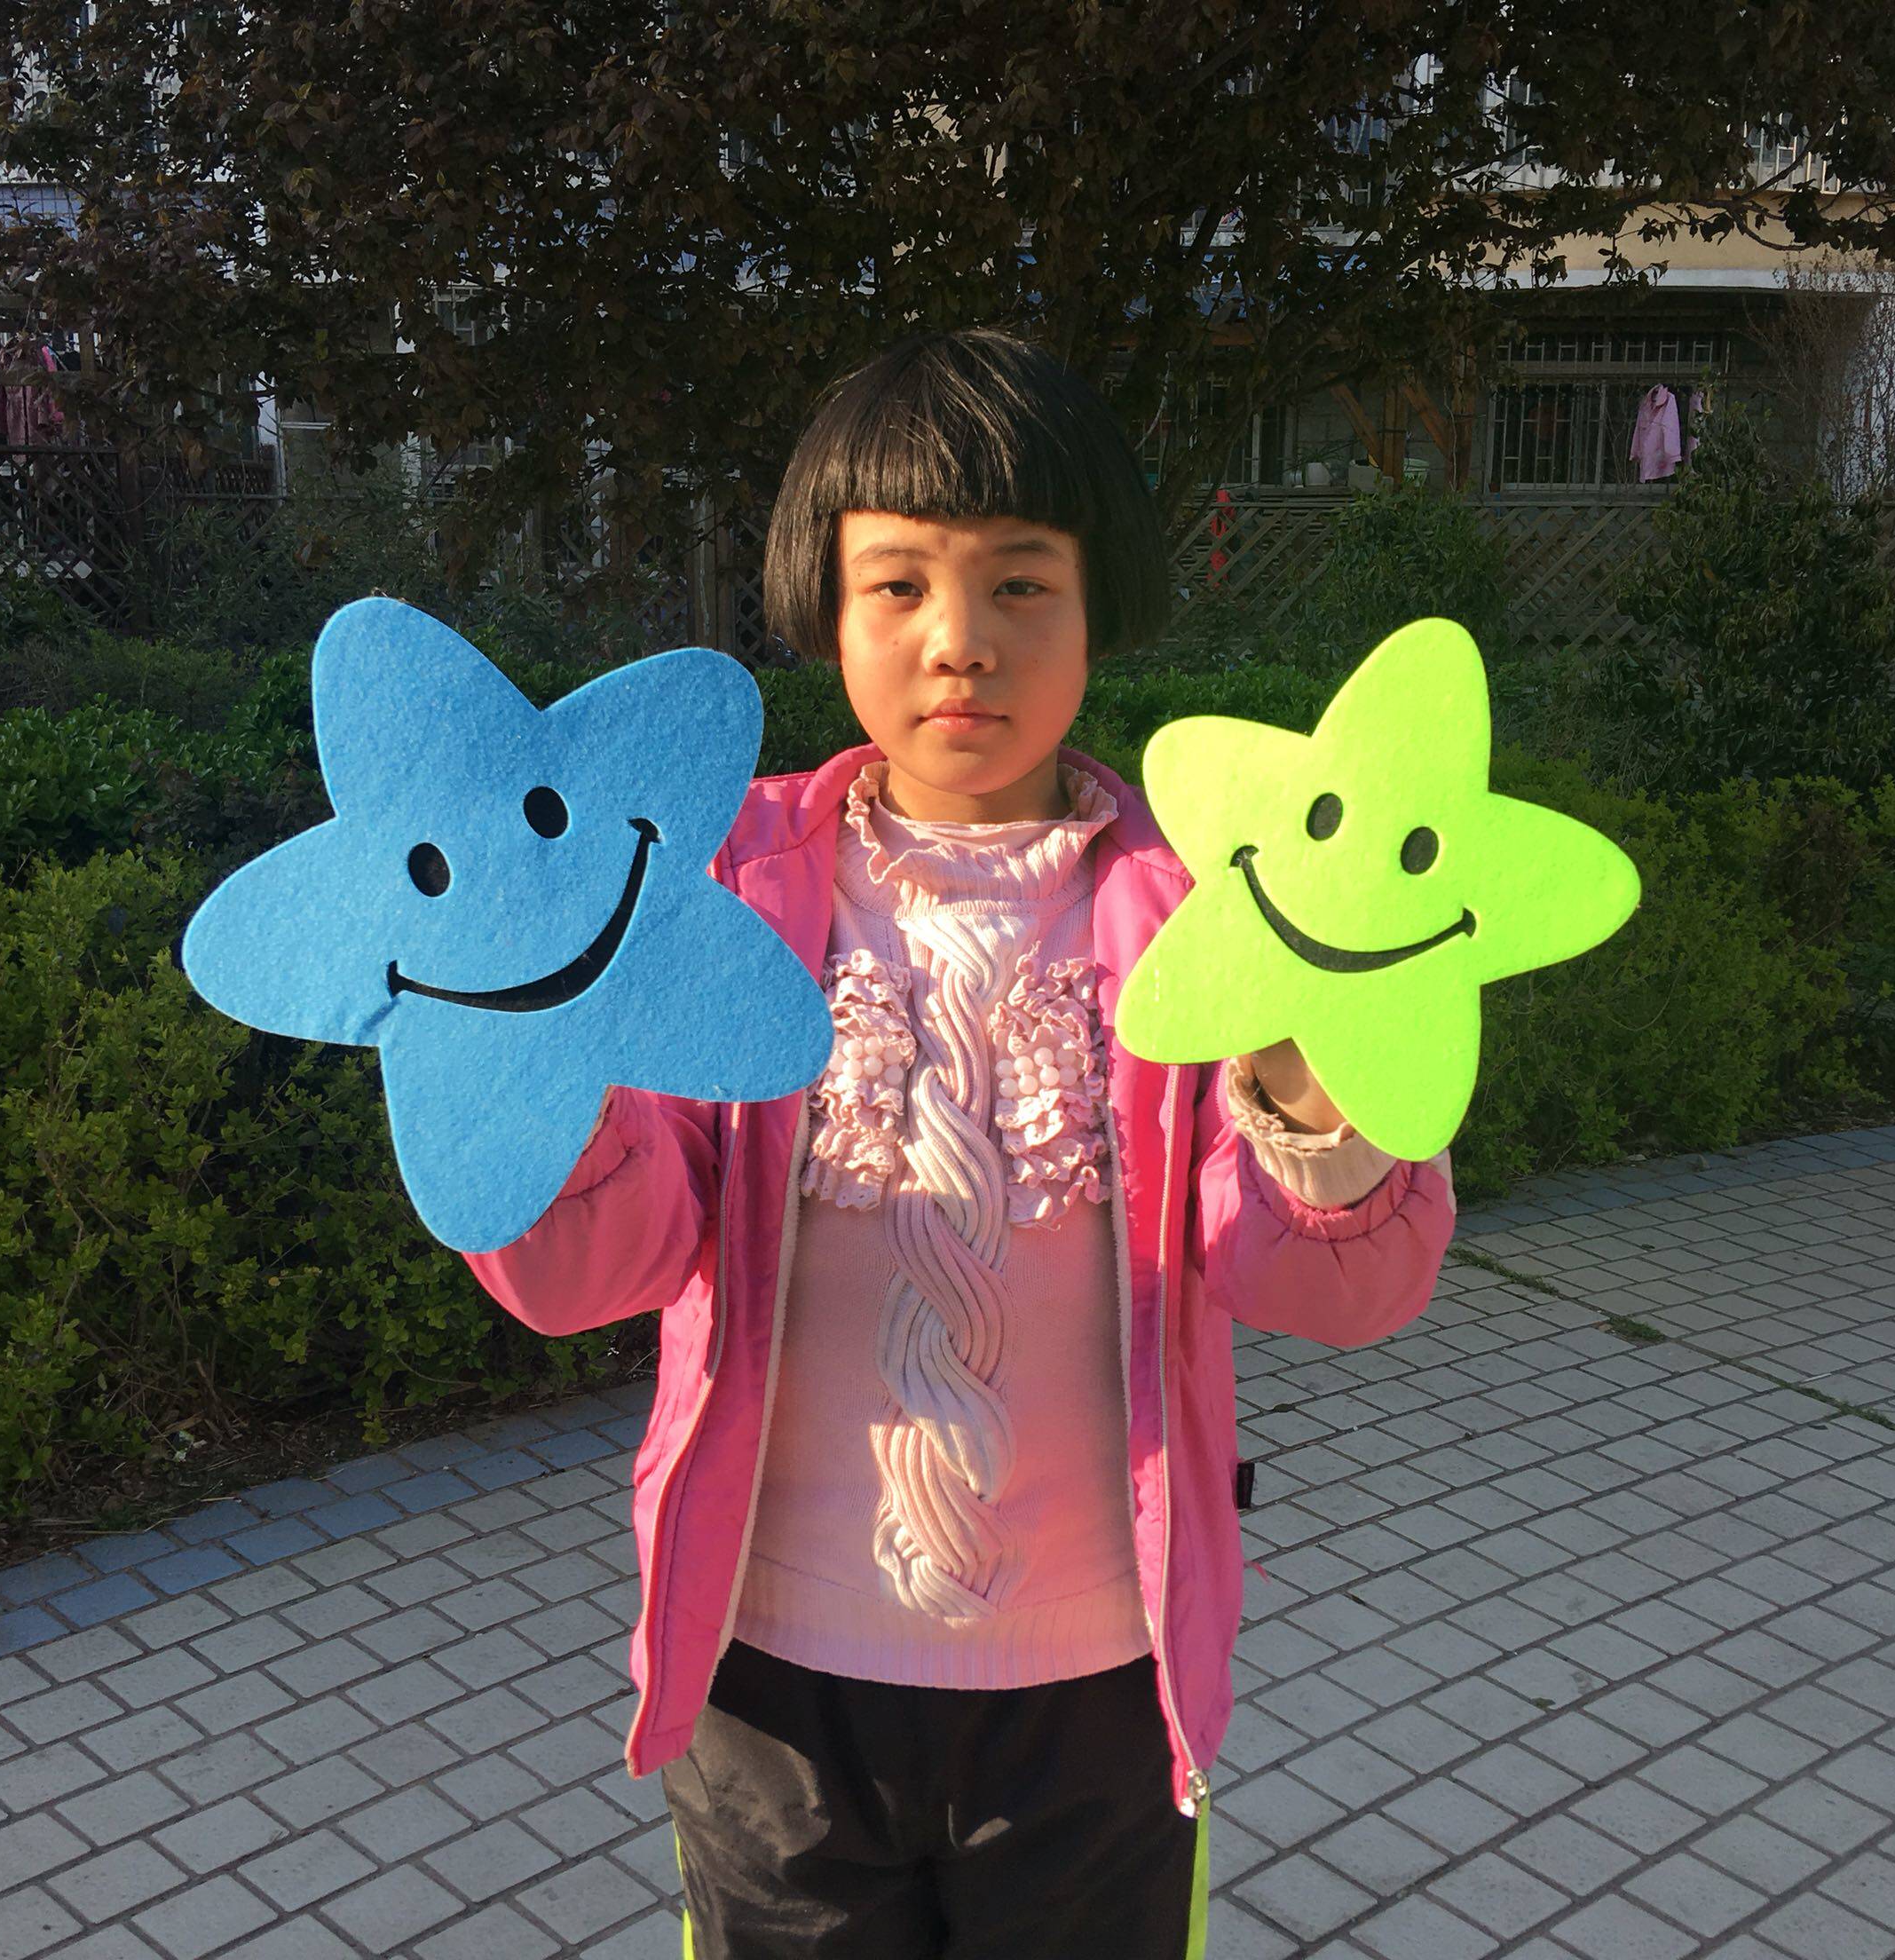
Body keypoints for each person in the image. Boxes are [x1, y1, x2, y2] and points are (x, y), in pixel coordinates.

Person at [465, 328, 1456, 1959]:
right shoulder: (720, 889)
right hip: (771, 1681)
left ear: (1099, 602)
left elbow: (1341, 1287)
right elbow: (594, 1268)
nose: (961, 642)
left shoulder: (1208, 914)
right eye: (900, 585)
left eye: (1020, 584)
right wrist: (522, 1077)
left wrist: (1306, 1081)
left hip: (1097, 1692)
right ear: (826, 605)